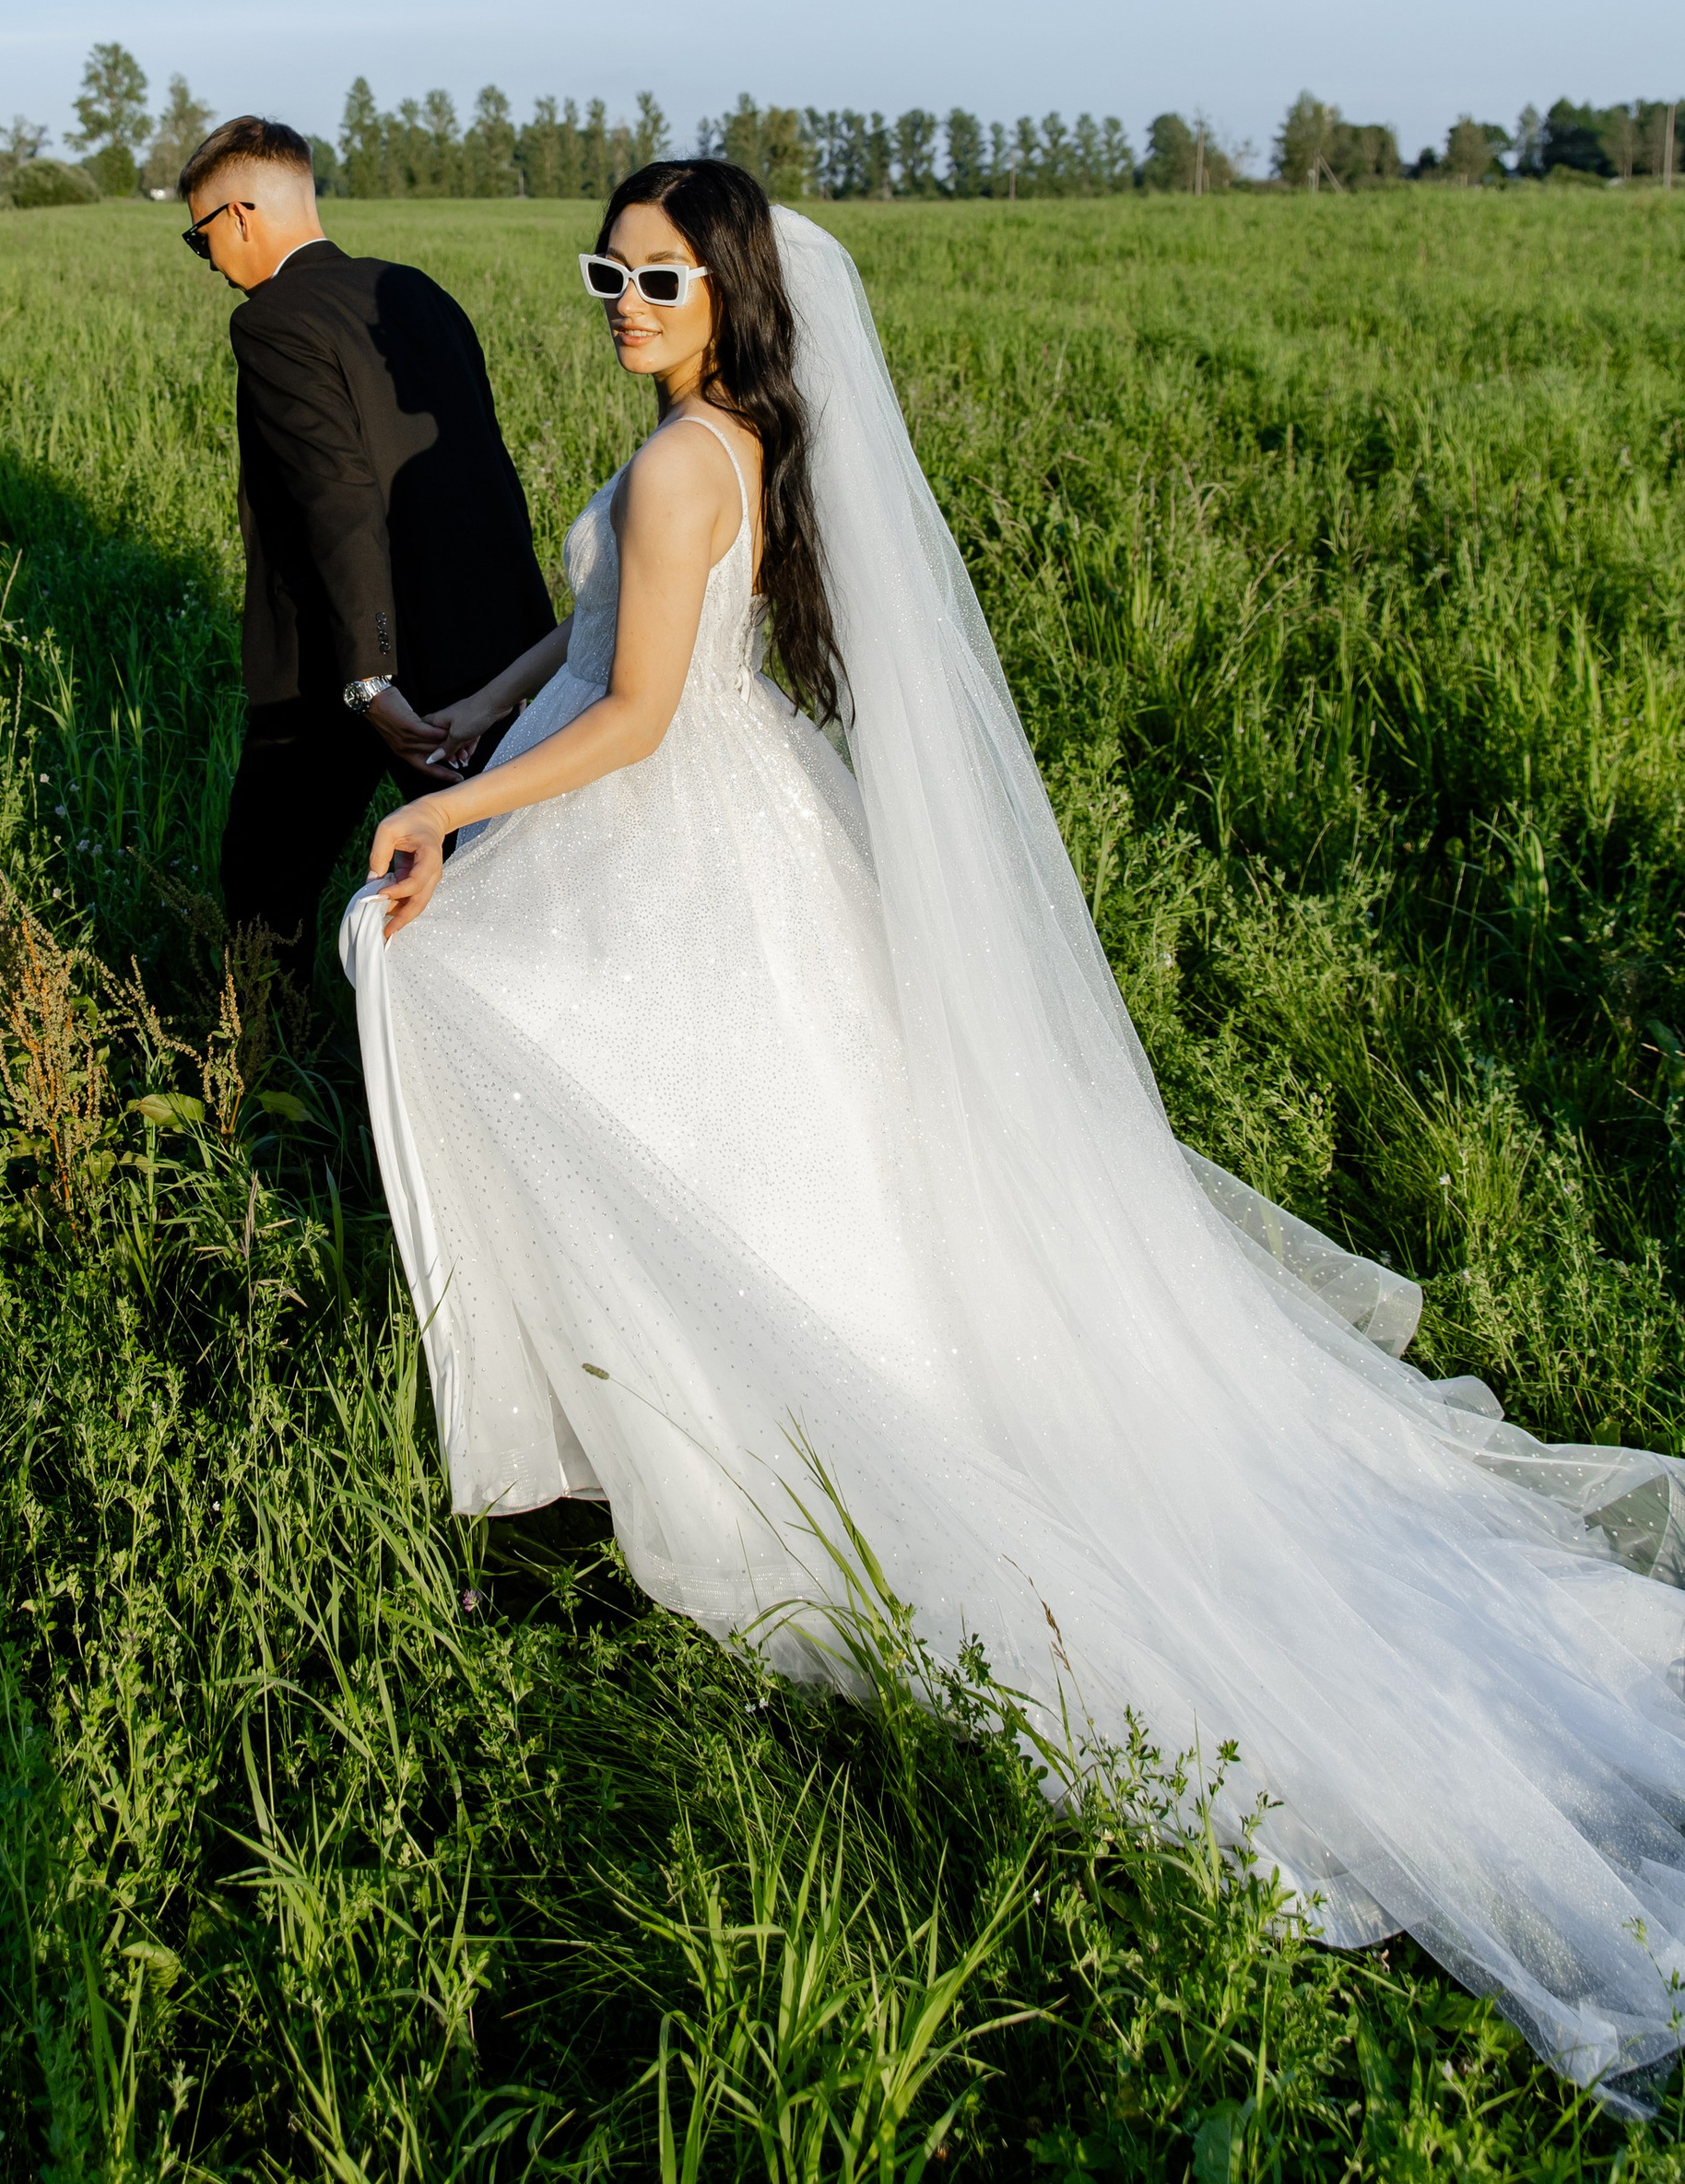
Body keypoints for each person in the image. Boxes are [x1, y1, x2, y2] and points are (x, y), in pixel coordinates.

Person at [346, 157, 1685, 2103]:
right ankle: (639, 1403)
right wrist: (456, 726)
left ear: (723, 295)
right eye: (602, 273)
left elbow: (635, 713)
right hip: (727, 828)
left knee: (483, 1005)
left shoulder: (677, 465)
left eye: (651, 280)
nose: (618, 303)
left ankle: (690, 1439)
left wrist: (442, 822)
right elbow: (581, 650)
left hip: (678, 836)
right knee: (765, 1137)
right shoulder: (711, 447)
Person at [182, 113, 556, 998]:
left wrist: (370, 678)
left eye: (198, 240)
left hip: (339, 665)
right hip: (487, 640)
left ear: (237, 216)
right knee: (502, 876)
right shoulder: (417, 291)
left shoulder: (270, 322)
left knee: (265, 883)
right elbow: (481, 465)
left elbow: (336, 500)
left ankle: (269, 1072)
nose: (205, 261)